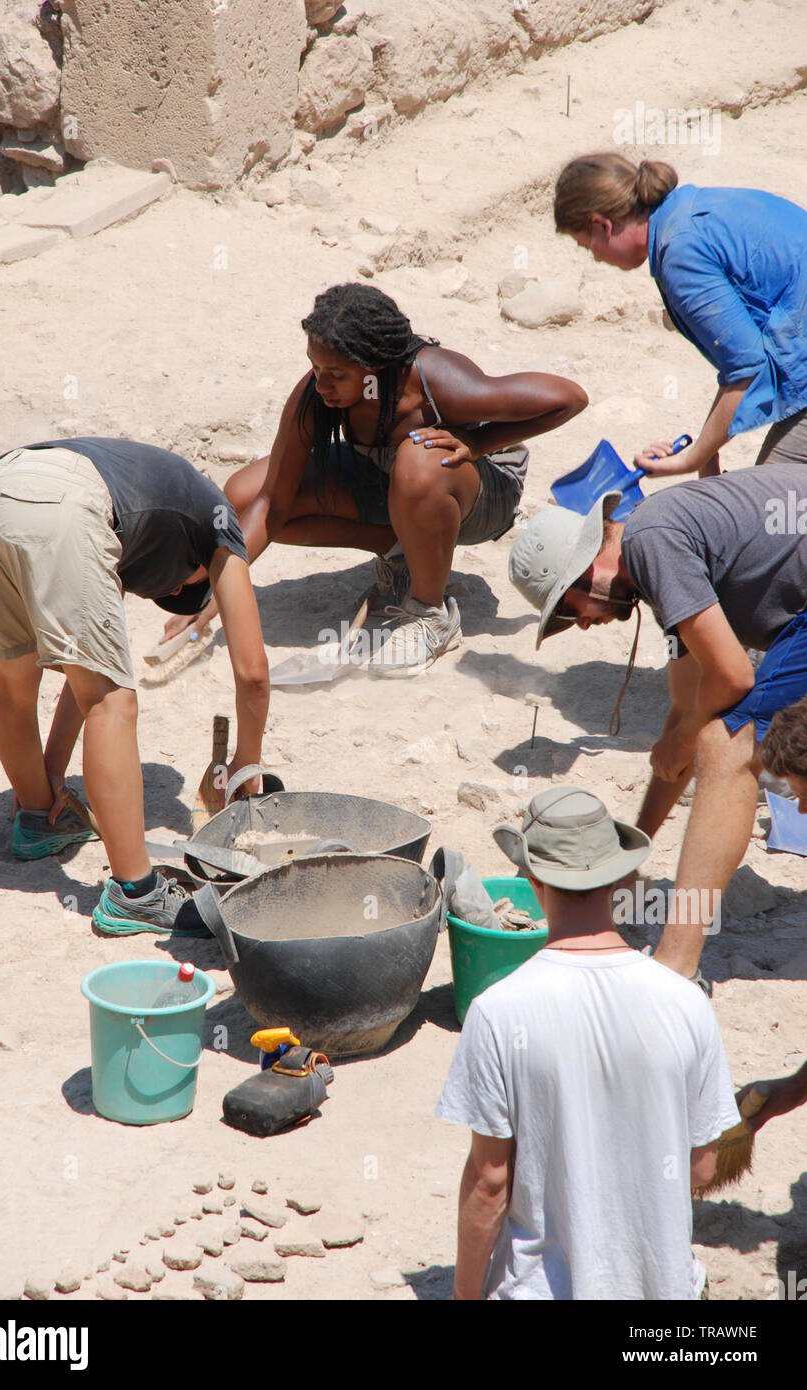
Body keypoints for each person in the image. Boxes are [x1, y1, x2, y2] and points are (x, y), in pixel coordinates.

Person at [161, 281, 588, 675]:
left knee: (419, 460)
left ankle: (431, 615)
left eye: (338, 375)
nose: (322, 385)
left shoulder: (437, 380)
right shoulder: (318, 395)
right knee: (241, 496)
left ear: (376, 367)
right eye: (315, 368)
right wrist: (218, 588)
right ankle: (402, 555)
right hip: (392, 478)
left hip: (477, 491)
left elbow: (569, 398)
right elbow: (272, 504)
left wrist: (480, 443)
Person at [0, 437, 269, 935]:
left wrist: (51, 770)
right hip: (63, 505)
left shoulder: (135, 509)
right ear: (190, 579)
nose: (178, 588)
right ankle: (135, 892)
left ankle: (37, 817)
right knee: (112, 702)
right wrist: (247, 763)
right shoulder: (218, 521)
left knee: (14, 679)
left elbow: (83, 670)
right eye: (182, 586)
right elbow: (252, 673)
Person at [436, 787, 740, 1300]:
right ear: (619, 878)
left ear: (531, 879)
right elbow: (703, 1165)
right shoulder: (686, 1003)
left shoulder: (498, 1011)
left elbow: (489, 1184)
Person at [507, 463, 807, 982]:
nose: (579, 622)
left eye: (569, 606)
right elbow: (686, 705)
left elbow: (732, 681)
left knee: (728, 743)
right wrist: (631, 852)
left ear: (589, 566)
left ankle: (676, 964)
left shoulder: (651, 544)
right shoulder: (658, 550)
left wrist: (689, 735)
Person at [553, 152, 807, 479]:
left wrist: (688, 461)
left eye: (587, 247)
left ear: (602, 226)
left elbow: (749, 370)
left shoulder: (679, 252)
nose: (596, 259)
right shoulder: (690, 210)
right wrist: (706, 457)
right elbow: (741, 364)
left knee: (770, 508)